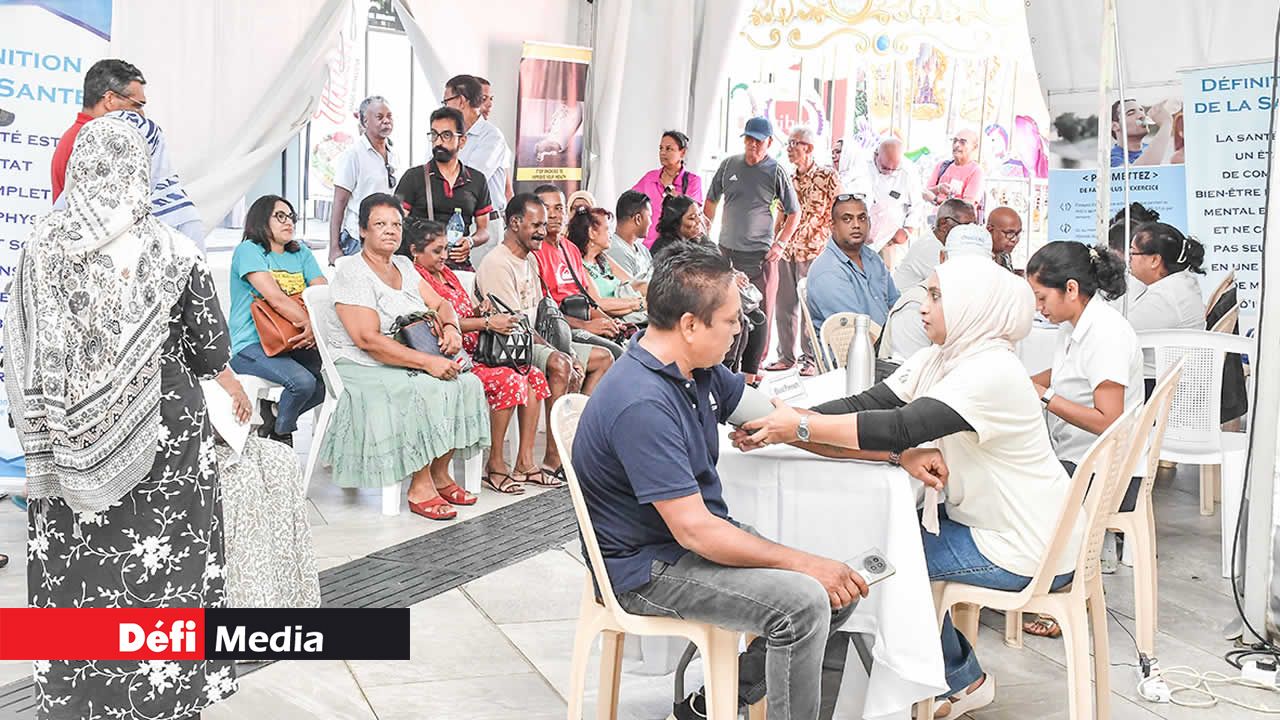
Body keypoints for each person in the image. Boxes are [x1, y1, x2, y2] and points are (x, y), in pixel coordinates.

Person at [739, 255, 1079, 720]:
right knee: (872, 556)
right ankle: (954, 678)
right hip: (992, 528)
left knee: (874, 565)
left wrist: (797, 427)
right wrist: (791, 419)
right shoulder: (942, 358)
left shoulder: (991, 371)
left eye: (937, 297)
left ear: (973, 307)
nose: (922, 306)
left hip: (1024, 545)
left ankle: (936, 682)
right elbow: (868, 403)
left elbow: (900, 428)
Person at [572, 245, 872, 720]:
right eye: (732, 320)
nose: (740, 330)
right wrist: (807, 564)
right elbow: (697, 532)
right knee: (807, 602)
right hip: (645, 568)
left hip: (686, 544)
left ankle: (716, 700)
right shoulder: (642, 402)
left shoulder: (698, 371)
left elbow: (786, 421)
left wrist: (893, 449)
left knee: (838, 589)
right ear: (691, 324)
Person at [9, 115, 238, 717]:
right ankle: (165, 691)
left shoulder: (39, 248)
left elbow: (24, 348)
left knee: (78, 562)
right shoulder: (176, 250)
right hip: (165, 431)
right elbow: (212, 353)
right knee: (168, 564)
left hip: (65, 436)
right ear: (141, 171)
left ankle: (77, 693)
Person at [321, 193, 490, 520]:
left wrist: (453, 330)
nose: (389, 231)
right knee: (427, 388)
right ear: (362, 231)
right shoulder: (352, 272)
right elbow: (367, 340)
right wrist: (428, 362)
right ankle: (420, 485)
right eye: (380, 224)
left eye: (396, 224)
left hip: (405, 353)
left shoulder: (403, 265)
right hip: (360, 363)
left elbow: (441, 304)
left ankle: (441, 473)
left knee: (466, 382)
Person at [405, 218, 558, 494]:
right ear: (415, 251)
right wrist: (486, 324)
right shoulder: (417, 281)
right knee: (510, 380)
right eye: (436, 251)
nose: (443, 256)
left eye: (445, 249)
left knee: (532, 375)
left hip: (479, 351)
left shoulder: (448, 275)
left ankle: (524, 462)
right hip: (455, 358)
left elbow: (463, 313)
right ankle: (495, 466)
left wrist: (480, 312)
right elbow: (435, 324)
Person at [1026, 241, 1142, 596]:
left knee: (1012, 484)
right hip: (1084, 460)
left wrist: (1044, 396)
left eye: (1042, 297)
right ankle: (1034, 578)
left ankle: (1052, 585)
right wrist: (1022, 382)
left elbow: (1109, 420)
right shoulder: (1075, 325)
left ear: (1071, 289)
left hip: (1107, 474)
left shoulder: (1105, 334)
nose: (1038, 307)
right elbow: (1064, 374)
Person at [476, 193, 612, 485]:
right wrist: (560, 351)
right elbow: (515, 325)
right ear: (514, 224)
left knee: (603, 359)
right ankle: (552, 458)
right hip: (510, 346)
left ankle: (573, 441)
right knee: (562, 364)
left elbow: (542, 312)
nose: (543, 230)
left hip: (534, 340)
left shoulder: (530, 261)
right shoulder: (497, 263)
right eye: (535, 225)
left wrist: (564, 347)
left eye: (543, 224)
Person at [204, 381, 320, 609]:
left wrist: (235, 390)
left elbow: (212, 359)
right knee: (243, 477)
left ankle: (284, 598)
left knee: (280, 460)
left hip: (204, 403)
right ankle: (247, 598)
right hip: (173, 428)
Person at [705, 116, 801, 383]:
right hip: (726, 252)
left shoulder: (775, 171)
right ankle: (724, 362)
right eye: (749, 140)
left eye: (759, 141)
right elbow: (711, 200)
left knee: (760, 313)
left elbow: (794, 212)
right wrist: (705, 237)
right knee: (724, 308)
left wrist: (780, 244)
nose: (753, 146)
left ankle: (753, 368)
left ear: (769, 143)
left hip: (759, 255)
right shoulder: (729, 165)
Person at [228, 195, 328, 445]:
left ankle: (274, 416)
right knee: (303, 382)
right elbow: (274, 298)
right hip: (251, 345)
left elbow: (321, 292)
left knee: (331, 379)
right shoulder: (249, 250)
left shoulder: (301, 252)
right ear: (261, 220)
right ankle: (281, 434)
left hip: (294, 340)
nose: (288, 222)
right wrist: (312, 326)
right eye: (280, 216)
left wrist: (313, 329)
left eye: (291, 216)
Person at [767, 125, 840, 377]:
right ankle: (786, 356)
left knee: (812, 307)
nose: (789, 149)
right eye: (788, 144)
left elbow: (836, 213)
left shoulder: (828, 176)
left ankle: (811, 359)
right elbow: (781, 212)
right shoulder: (786, 178)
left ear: (808, 148)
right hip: (788, 251)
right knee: (784, 305)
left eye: (793, 144)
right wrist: (775, 241)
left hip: (815, 252)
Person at [531, 185, 628, 356]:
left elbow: (586, 301)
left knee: (631, 346)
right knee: (615, 353)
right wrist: (587, 326)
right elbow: (542, 314)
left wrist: (607, 321)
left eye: (559, 208)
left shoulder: (571, 249)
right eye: (546, 209)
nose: (553, 214)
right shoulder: (533, 253)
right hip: (558, 328)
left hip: (582, 319)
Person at [394, 106, 492, 271]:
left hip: (458, 267)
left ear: (462, 141)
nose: (438, 142)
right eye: (434, 135)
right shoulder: (414, 177)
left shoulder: (477, 180)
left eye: (446, 135)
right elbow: (395, 222)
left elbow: (484, 231)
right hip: (420, 269)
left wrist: (470, 242)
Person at [880, 224, 992, 361]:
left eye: (978, 265)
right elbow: (911, 377)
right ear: (942, 258)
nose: (969, 272)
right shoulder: (916, 307)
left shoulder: (984, 302)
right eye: (961, 264)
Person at [50, 58, 146, 202]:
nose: (141, 115)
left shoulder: (77, 137)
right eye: (137, 105)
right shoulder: (96, 142)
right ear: (110, 99)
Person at [806, 194, 900, 332]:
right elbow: (855, 331)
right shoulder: (828, 272)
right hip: (855, 348)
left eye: (861, 218)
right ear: (832, 226)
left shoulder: (872, 258)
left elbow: (895, 303)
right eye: (847, 219)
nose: (856, 225)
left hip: (885, 342)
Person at [1126, 222, 1207, 375]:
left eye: (1132, 253)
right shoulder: (1182, 282)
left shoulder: (1166, 298)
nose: (1128, 259)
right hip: (1168, 377)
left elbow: (1119, 333)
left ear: (1155, 260)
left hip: (1155, 383)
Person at [329, 95, 397, 263]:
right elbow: (339, 202)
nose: (386, 121)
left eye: (389, 116)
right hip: (357, 239)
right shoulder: (353, 155)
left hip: (386, 238)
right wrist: (334, 247)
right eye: (379, 117)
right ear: (365, 122)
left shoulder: (394, 153)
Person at [446, 74, 512, 227]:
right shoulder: (449, 134)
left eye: (446, 102)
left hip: (484, 223)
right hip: (455, 220)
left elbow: (470, 178)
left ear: (461, 101)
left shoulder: (491, 137)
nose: (445, 108)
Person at [566, 207, 647, 325]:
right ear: (591, 233)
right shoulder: (579, 265)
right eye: (607, 229)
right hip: (612, 323)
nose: (611, 235)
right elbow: (598, 303)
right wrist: (638, 304)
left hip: (630, 315)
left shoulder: (603, 259)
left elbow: (632, 284)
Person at [631, 130, 705, 247]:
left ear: (682, 153)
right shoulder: (650, 177)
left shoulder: (692, 181)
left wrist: (669, 190)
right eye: (661, 148)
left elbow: (691, 210)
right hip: (651, 247)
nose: (663, 153)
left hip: (679, 248)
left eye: (669, 149)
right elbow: (630, 200)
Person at [860, 137, 925, 265]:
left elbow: (917, 206)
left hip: (889, 238)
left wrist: (907, 231)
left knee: (884, 278)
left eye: (893, 169)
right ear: (876, 155)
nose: (889, 171)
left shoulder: (908, 171)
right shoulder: (862, 164)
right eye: (884, 167)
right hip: (860, 232)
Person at [893, 199, 975, 290]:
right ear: (944, 225)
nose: (971, 231)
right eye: (966, 226)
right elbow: (954, 286)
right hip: (909, 302)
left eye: (974, 226)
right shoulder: (928, 248)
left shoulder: (943, 242)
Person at [924, 129, 985, 210]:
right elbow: (925, 193)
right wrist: (938, 189)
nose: (957, 145)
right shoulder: (942, 166)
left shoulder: (976, 171)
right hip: (934, 219)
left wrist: (937, 200)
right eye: (955, 141)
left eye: (962, 142)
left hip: (958, 221)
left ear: (974, 147)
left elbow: (967, 206)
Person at [606, 190, 654, 288]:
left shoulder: (642, 249)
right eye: (649, 216)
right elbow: (629, 293)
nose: (651, 223)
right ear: (638, 219)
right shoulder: (615, 252)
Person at [1111, 98, 1175, 167]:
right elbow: (1135, 174)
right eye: (1131, 113)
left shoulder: (1150, 148)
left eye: (1141, 111)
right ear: (1115, 126)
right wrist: (1166, 123)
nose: (1142, 116)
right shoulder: (1112, 158)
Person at [650, 193, 711, 257]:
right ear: (675, 223)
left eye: (699, 215)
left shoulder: (692, 241)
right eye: (692, 218)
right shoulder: (667, 250)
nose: (699, 220)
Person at [985, 206, 1023, 272]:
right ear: (990, 230)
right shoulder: (979, 258)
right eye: (1009, 233)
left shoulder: (1004, 254)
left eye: (1017, 233)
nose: (1014, 239)